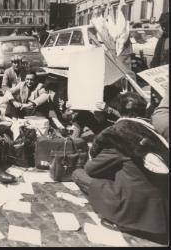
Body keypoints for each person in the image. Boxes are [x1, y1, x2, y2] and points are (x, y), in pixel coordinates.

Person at [72, 93, 169, 242]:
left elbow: (92, 169)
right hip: (162, 210)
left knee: (78, 174)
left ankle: (114, 217)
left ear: (119, 110)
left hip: (134, 209)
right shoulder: (153, 130)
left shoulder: (120, 133)